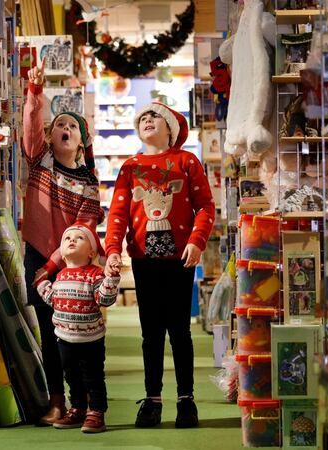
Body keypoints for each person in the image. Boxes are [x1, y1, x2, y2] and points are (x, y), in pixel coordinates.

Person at [104, 102, 216, 429]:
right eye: (143, 118)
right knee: (151, 333)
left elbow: (206, 206)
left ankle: (186, 400)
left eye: (155, 117)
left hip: (180, 261)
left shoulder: (187, 161)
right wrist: (112, 249)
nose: (148, 120)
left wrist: (197, 241)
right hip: (144, 261)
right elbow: (118, 214)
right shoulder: (130, 167)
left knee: (180, 331)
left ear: (171, 128)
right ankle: (152, 399)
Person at [22, 57, 104, 425]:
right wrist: (35, 92)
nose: (64, 128)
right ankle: (57, 400)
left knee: (75, 335)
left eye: (71, 125)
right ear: (51, 137)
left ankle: (84, 402)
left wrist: (55, 264)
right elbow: (30, 128)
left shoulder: (88, 182)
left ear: (82, 139)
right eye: (59, 125)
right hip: (36, 255)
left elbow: (83, 231)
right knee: (47, 329)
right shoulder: (39, 161)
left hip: (69, 265)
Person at [37, 223, 119, 433]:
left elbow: (105, 299)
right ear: (62, 255)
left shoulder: (94, 275)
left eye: (79, 238)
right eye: (67, 239)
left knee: (93, 377)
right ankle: (78, 407)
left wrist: (111, 279)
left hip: (91, 339)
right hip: (64, 339)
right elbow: (53, 299)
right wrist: (42, 285)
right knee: (71, 376)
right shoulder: (60, 276)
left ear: (92, 252)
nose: (72, 240)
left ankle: (97, 411)